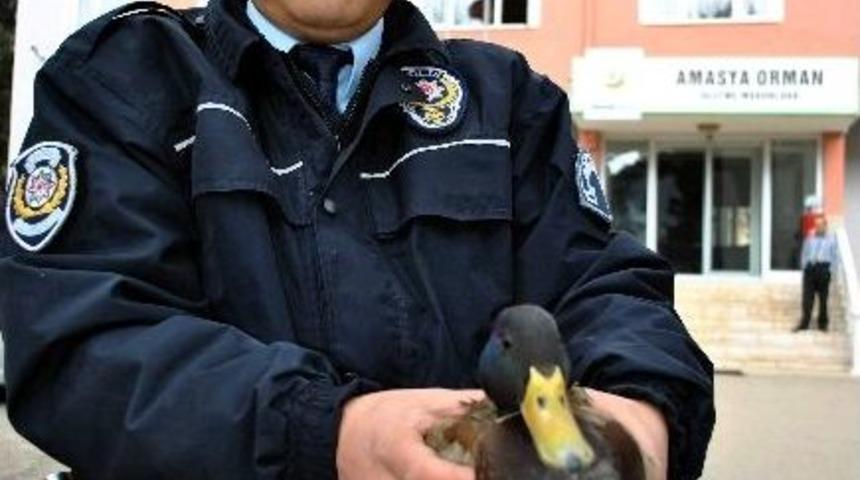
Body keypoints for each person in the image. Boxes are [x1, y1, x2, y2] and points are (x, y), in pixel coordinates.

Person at [0, 1, 714, 479]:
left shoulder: (510, 102)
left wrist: (639, 421)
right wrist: (329, 433)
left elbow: (609, 288)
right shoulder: (123, 79)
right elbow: (81, 342)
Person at [794, 216, 840, 332]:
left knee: (823, 299)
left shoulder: (831, 239)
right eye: (816, 225)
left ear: (825, 226)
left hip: (823, 269)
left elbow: (835, 256)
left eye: (820, 225)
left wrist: (830, 271)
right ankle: (804, 323)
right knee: (807, 298)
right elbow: (805, 252)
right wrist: (805, 266)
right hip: (810, 269)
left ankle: (823, 324)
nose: (817, 227)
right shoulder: (810, 237)